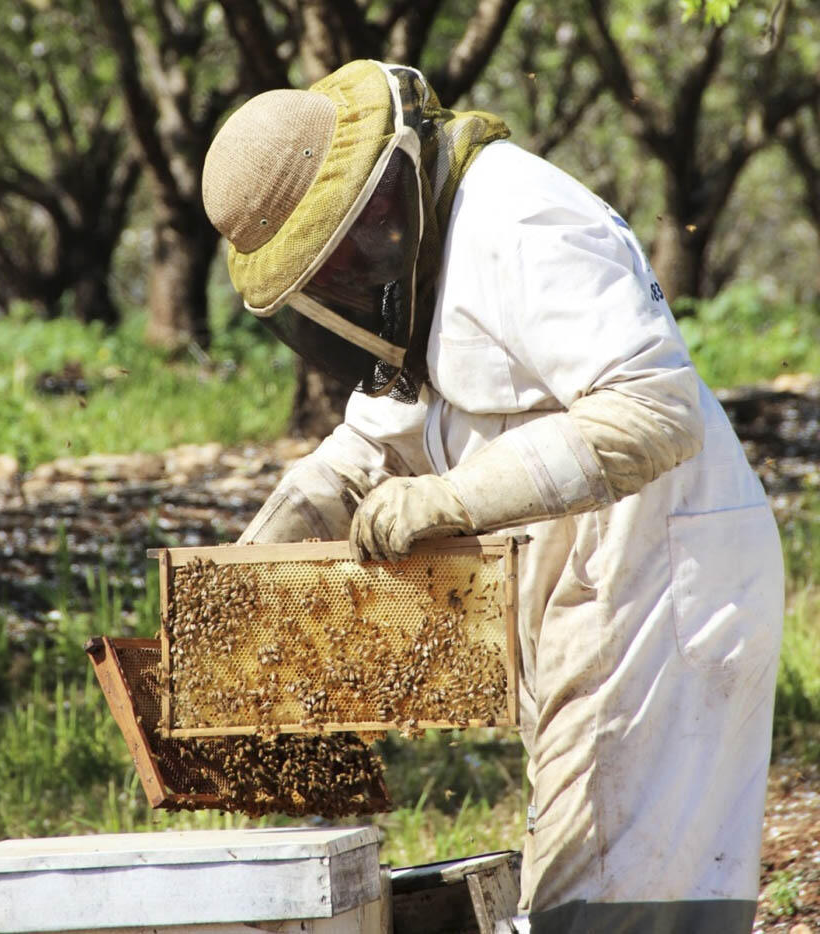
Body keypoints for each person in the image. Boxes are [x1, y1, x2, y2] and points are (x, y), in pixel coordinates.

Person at [200, 60, 784, 933]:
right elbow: (387, 429)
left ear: (381, 205)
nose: (349, 288)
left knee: (613, 908)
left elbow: (654, 409)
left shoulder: (522, 221)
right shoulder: (430, 259)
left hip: (660, 592)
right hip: (590, 599)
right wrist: (300, 509)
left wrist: (452, 500)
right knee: (598, 897)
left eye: (348, 262)